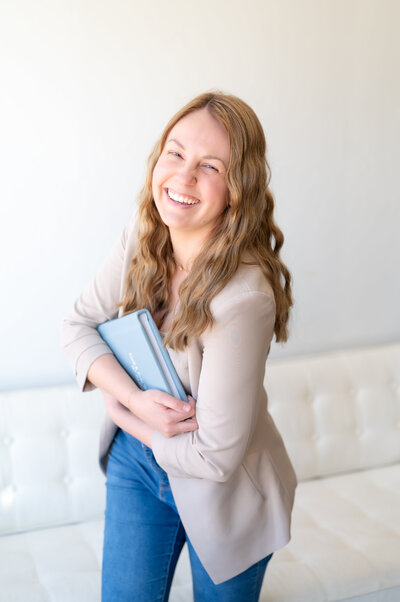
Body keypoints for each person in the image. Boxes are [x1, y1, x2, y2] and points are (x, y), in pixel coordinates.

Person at [61, 91, 297, 602]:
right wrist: (135, 400)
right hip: (139, 466)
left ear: (238, 188)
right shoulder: (143, 235)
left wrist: (125, 415)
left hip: (226, 496)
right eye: (175, 152)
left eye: (209, 165)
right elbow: (77, 325)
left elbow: (214, 458)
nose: (183, 177)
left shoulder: (244, 298)